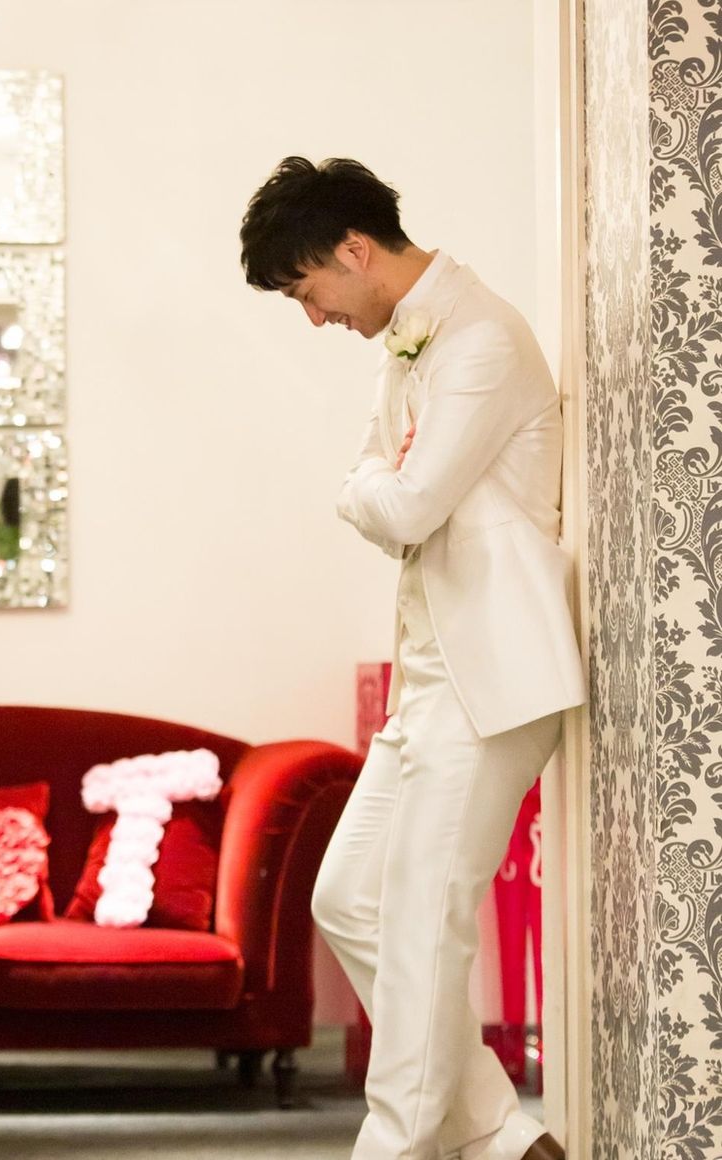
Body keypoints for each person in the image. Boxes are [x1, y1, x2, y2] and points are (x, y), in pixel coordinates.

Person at [240, 157, 586, 1160]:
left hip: (491, 678)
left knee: (427, 920)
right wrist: (376, 485)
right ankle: (498, 1132)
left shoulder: (479, 340)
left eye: (308, 292)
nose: (315, 318)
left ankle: (395, 1145)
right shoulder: (408, 344)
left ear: (353, 250)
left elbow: (403, 504)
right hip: (428, 680)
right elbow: (384, 485)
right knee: (347, 896)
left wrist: (368, 486)